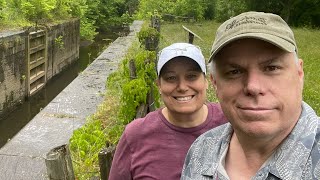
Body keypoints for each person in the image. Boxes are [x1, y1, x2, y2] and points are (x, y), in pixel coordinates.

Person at [181, 11, 320, 179]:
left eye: (271, 68)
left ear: (299, 73)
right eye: (234, 71)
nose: (253, 87)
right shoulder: (201, 150)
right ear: (215, 83)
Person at [108, 42, 227, 179]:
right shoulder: (135, 135)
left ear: (206, 81)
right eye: (171, 78)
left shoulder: (231, 122)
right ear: (159, 85)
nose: (182, 87)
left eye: (192, 76)